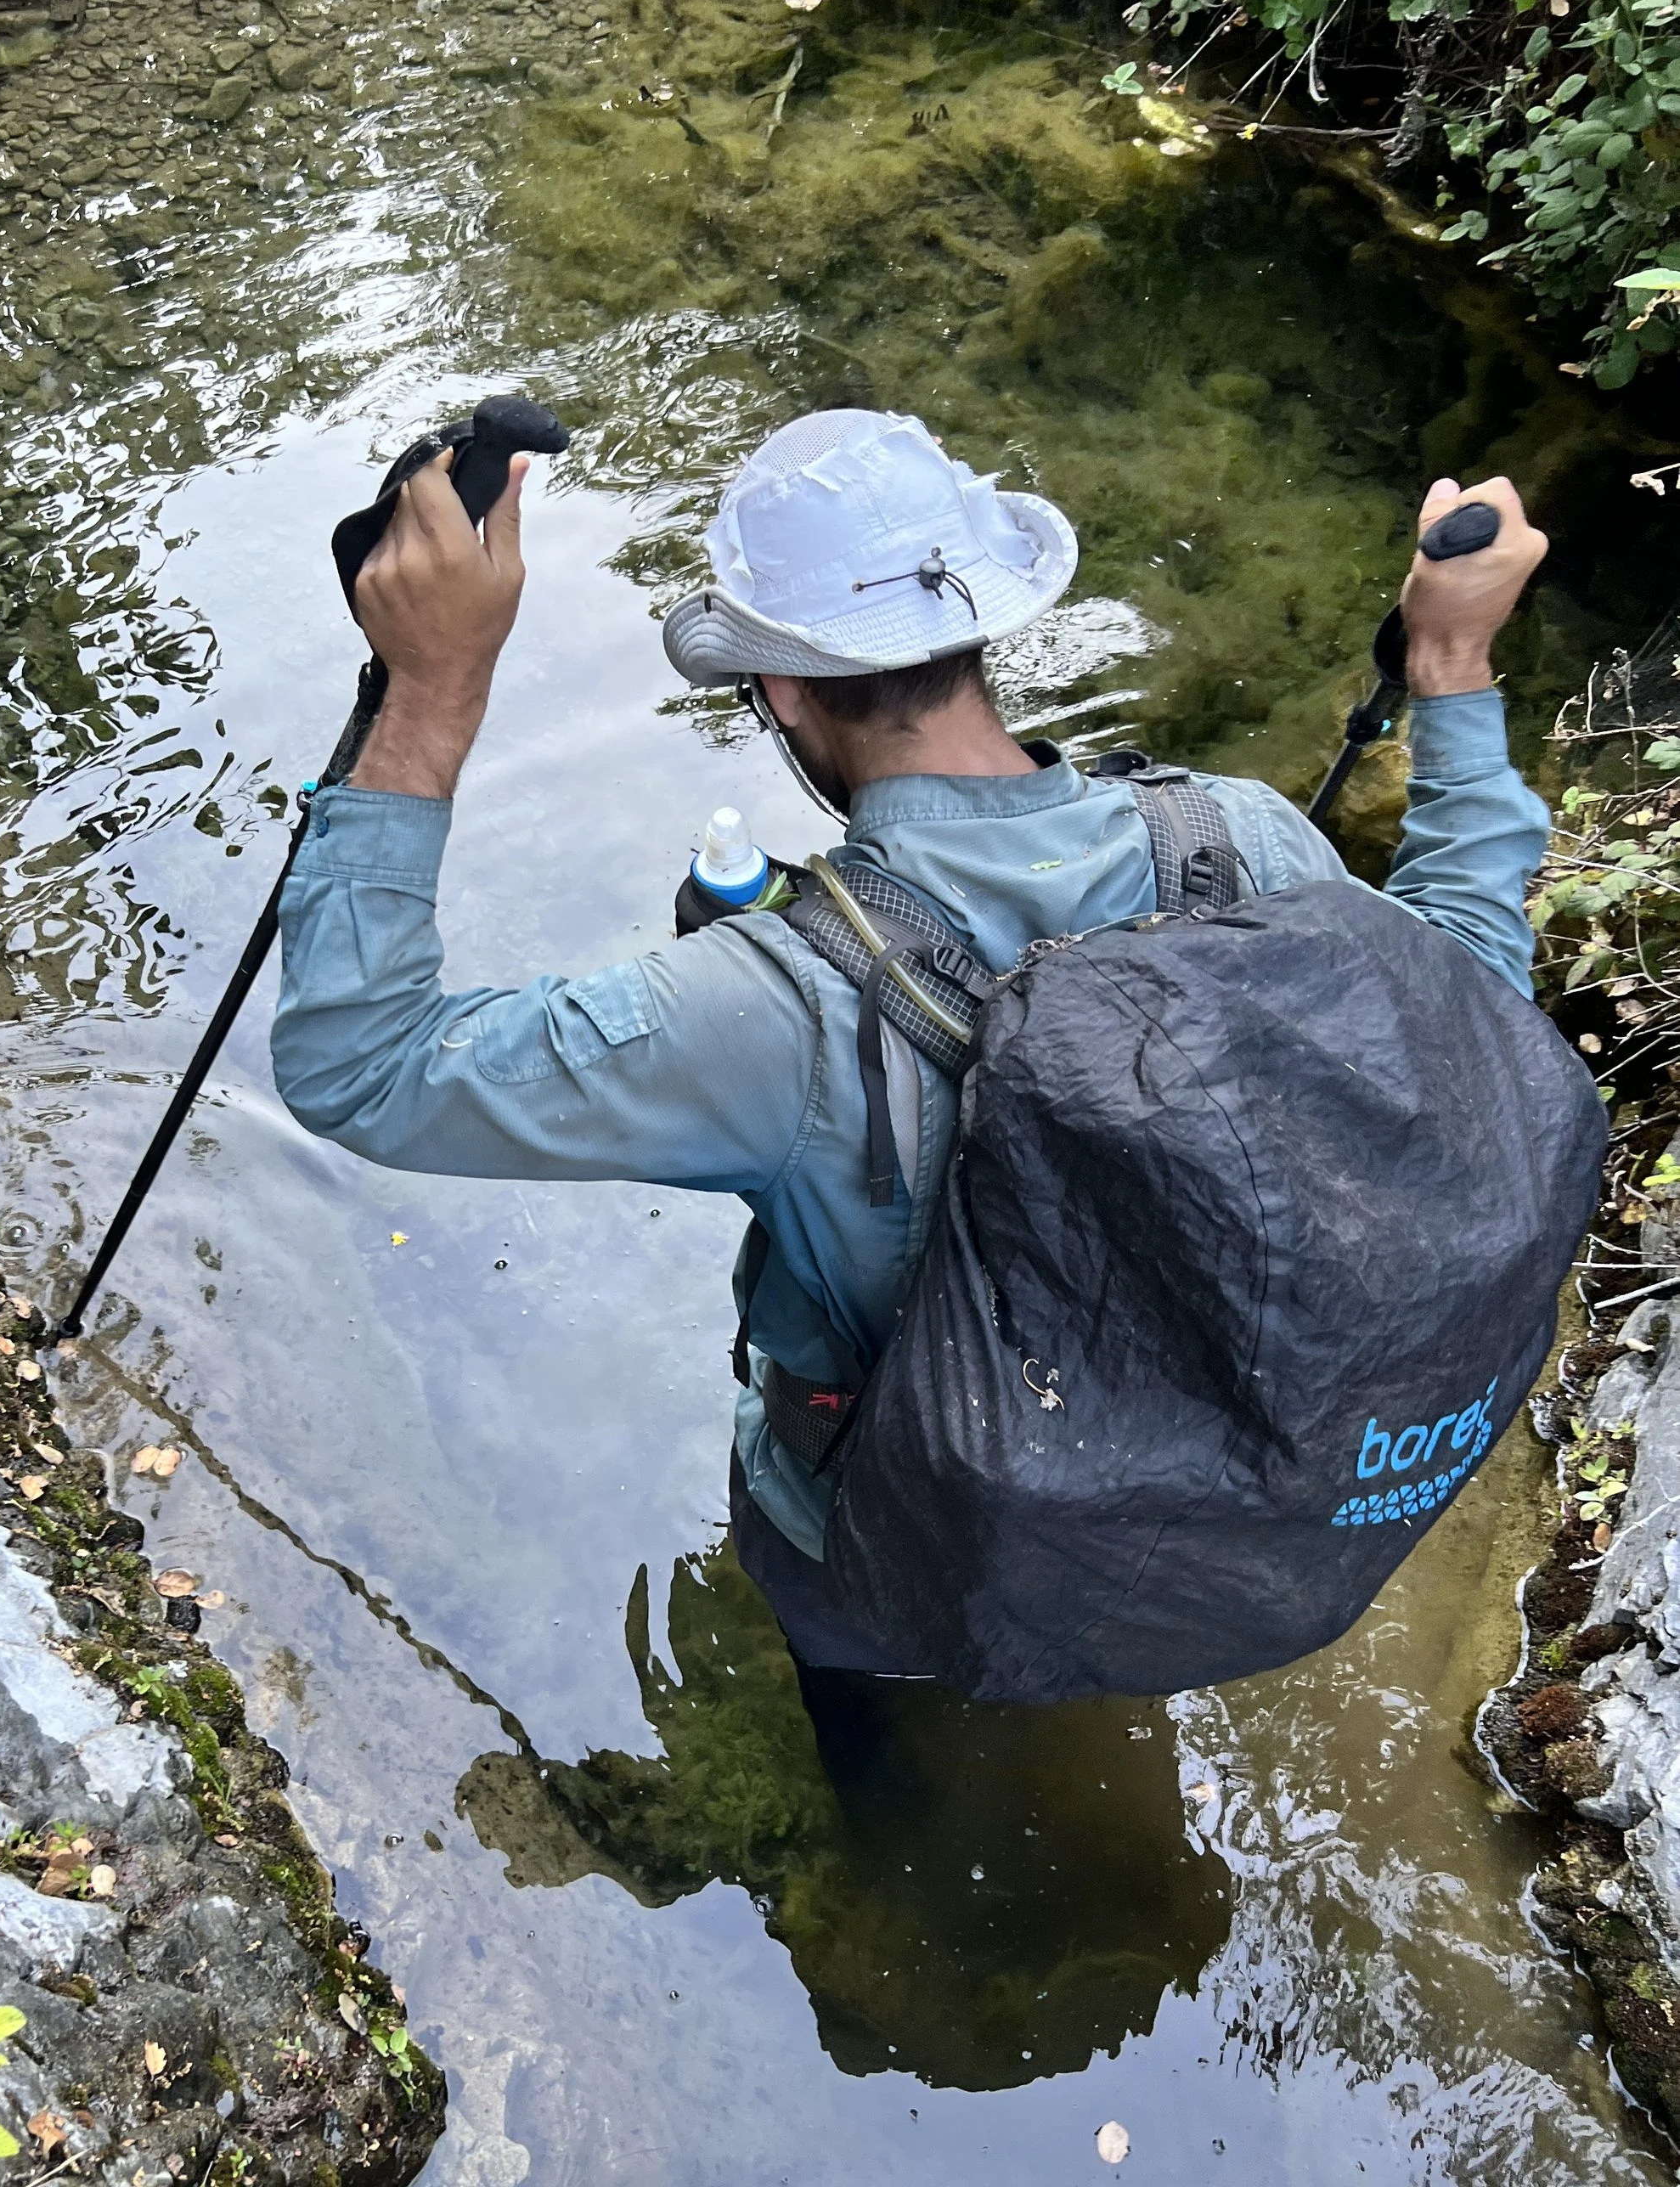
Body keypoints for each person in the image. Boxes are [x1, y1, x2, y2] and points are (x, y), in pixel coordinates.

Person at [271, 409, 1551, 1700]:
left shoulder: (765, 1007)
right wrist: (1450, 661)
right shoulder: (1243, 842)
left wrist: (434, 688)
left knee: (872, 1694)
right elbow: (1478, 1022)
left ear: (775, 689)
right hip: (1199, 1498)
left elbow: (365, 1066)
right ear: (980, 631)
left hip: (896, 1542)